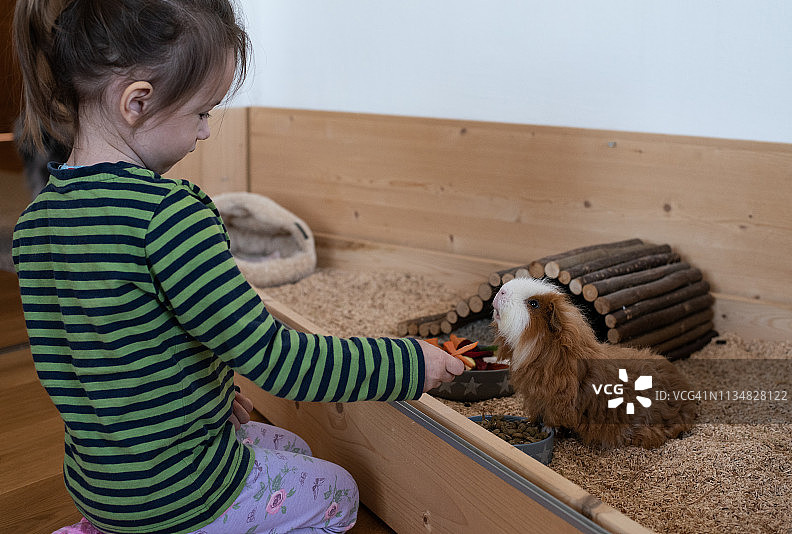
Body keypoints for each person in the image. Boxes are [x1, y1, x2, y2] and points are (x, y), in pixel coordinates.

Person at [12, 1, 464, 533]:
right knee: (339, 493)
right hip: (179, 493)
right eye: (202, 112)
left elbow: (104, 359)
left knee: (291, 445)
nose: (205, 132)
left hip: (103, 485)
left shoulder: (35, 222)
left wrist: (205, 393)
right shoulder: (167, 216)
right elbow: (276, 360)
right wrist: (408, 365)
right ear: (137, 101)